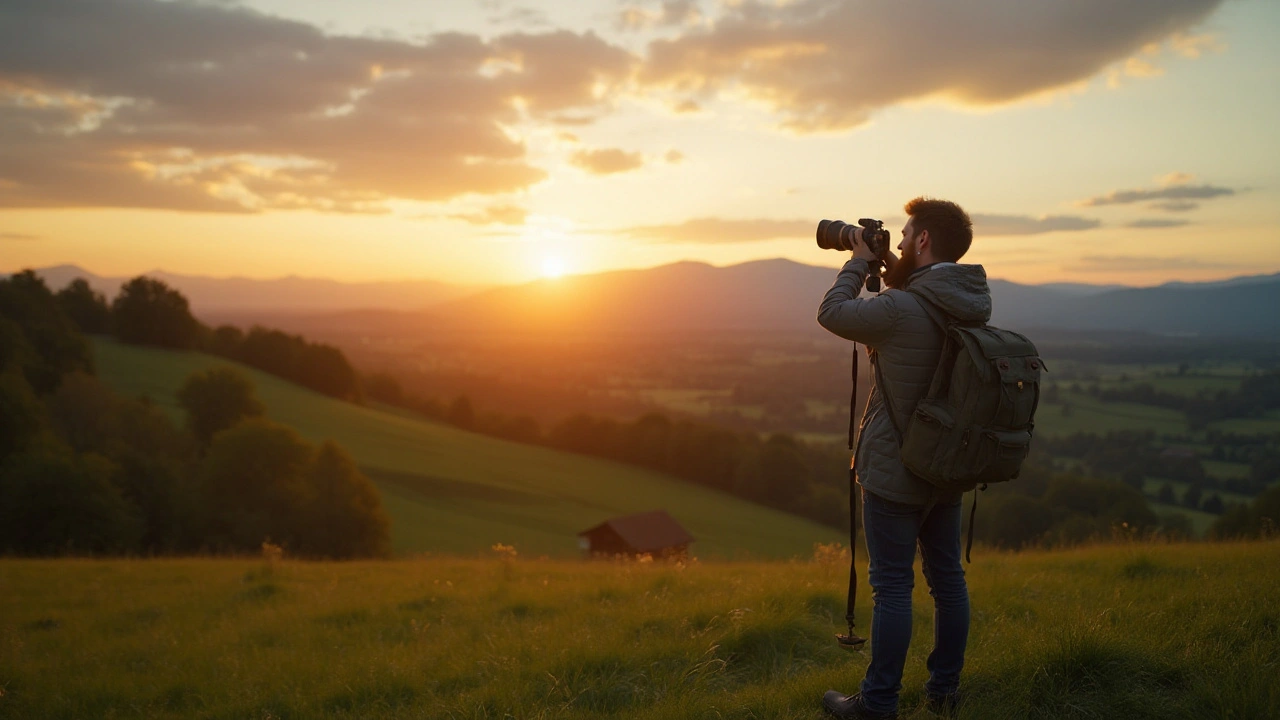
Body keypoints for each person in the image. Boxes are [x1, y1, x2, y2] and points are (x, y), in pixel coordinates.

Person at [816, 197, 991, 719]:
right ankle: (943, 692)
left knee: (892, 585)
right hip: (948, 466)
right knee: (947, 579)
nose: (903, 237)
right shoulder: (971, 301)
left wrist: (857, 260)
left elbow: (830, 314)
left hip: (896, 471)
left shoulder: (899, 308)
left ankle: (878, 704)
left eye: (908, 231)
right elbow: (920, 306)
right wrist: (889, 266)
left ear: (922, 241)